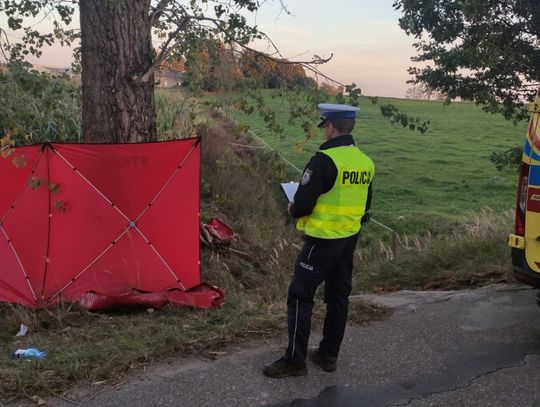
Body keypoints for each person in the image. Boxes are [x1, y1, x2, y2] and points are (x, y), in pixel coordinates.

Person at [263, 103, 374, 379]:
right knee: (338, 297)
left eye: (325, 126)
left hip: (322, 241)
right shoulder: (364, 161)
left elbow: (301, 206)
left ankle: (294, 361)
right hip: (348, 240)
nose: (324, 131)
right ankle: (328, 355)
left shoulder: (323, 161)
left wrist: (292, 206)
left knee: (300, 296)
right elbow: (365, 204)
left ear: (332, 127)